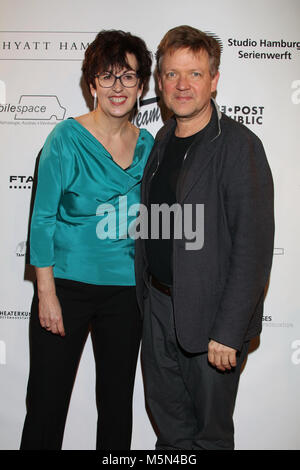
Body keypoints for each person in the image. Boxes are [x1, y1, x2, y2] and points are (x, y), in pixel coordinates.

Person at [135, 25, 274, 450]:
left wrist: (229, 331)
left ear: (214, 80)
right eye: (172, 74)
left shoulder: (238, 146)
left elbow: (252, 248)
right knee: (171, 433)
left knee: (209, 438)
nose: (182, 85)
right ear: (160, 82)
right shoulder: (161, 140)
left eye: (194, 74)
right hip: (158, 308)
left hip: (212, 320)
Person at [20, 29, 153, 450]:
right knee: (46, 404)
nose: (118, 87)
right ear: (92, 82)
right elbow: (42, 219)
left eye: (128, 77)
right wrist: (47, 293)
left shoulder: (150, 146)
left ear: (142, 86)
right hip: (65, 288)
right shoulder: (65, 139)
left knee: (116, 407)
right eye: (107, 76)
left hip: (127, 293)